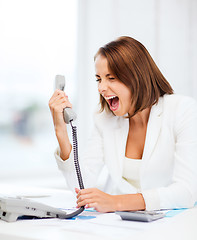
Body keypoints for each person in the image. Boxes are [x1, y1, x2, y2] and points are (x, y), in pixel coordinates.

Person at [49, 36, 197, 213]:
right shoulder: (104, 119)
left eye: (111, 78)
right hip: (121, 226)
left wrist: (116, 202)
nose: (101, 88)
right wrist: (61, 131)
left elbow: (186, 192)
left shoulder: (183, 110)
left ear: (137, 76)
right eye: (99, 79)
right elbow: (82, 186)